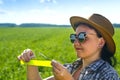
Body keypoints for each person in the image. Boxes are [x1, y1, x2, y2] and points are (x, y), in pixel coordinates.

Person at [18, 13, 120, 80]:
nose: (75, 42)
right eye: (74, 37)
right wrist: (31, 63)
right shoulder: (72, 68)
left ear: (101, 42)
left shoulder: (108, 76)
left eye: (82, 37)